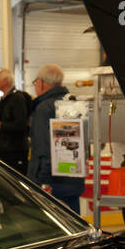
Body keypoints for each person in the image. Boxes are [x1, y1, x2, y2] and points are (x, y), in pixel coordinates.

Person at [28, 64, 84, 207]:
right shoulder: (73, 104)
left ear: (41, 83)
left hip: (50, 183)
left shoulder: (43, 109)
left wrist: (41, 181)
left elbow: (43, 148)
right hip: (73, 178)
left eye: (35, 82)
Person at [0, 68, 32, 174]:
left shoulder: (17, 98)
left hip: (15, 152)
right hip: (5, 150)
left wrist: (0, 126)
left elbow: (21, 124)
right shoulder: (5, 100)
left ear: (5, 81)